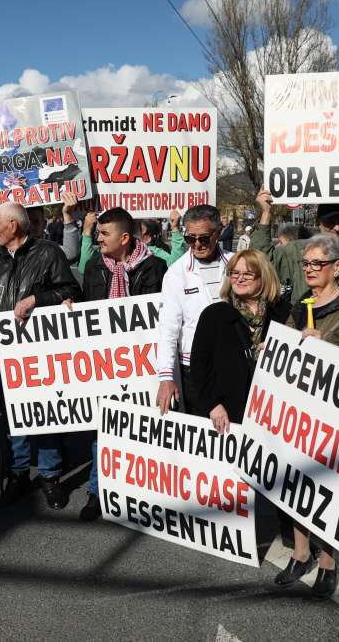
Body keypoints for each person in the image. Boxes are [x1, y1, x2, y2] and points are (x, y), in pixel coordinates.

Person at [274, 232, 339, 596]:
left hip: (330, 414)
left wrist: (325, 346)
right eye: (306, 263)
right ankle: (301, 552)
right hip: (297, 408)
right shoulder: (301, 304)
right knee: (295, 481)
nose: (310, 269)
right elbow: (286, 343)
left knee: (325, 485)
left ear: (338, 266)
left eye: (318, 263)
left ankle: (328, 559)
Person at [0, 202, 81, 509]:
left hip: (40, 355)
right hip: (5, 355)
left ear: (13, 225)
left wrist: (37, 298)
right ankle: (19, 473)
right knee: (14, 418)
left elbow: (71, 292)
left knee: (45, 415)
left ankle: (50, 476)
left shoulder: (48, 253)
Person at [73, 207, 166, 521]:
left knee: (142, 427)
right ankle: (97, 492)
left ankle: (139, 493)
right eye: (98, 233)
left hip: (141, 363)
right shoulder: (94, 267)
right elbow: (86, 307)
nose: (98, 238)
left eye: (104, 233)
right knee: (101, 427)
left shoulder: (155, 267)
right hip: (104, 362)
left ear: (124, 238)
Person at [190, 250, 289, 432]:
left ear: (263, 277)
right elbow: (199, 368)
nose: (239, 279)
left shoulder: (283, 313)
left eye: (248, 274)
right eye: (235, 273)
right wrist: (213, 405)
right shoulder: (215, 315)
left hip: (271, 417)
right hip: (227, 416)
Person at [156, 204, 233, 415]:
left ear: (218, 232)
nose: (197, 244)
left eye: (204, 238)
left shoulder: (236, 264)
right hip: (194, 368)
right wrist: (166, 376)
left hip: (232, 362)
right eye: (190, 238)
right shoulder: (176, 273)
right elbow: (168, 329)